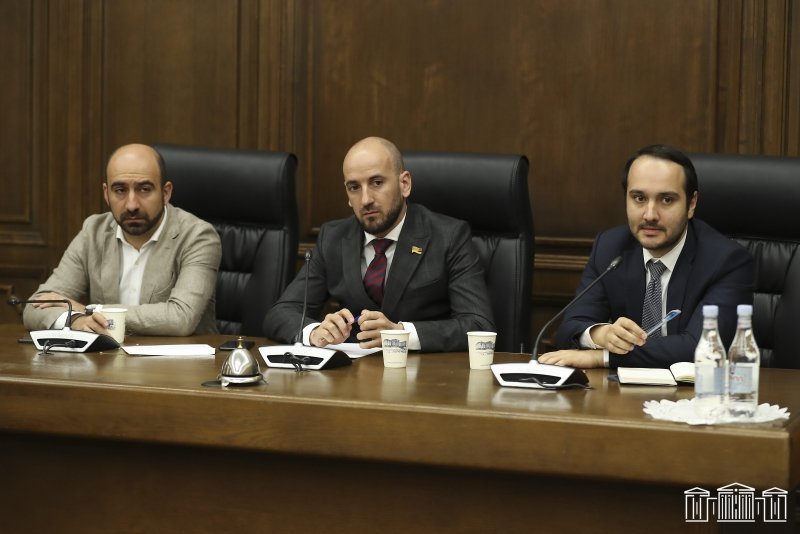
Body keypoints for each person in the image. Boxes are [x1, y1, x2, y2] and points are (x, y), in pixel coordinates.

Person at [264, 136, 495, 352]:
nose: (366, 200)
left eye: (376, 182)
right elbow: (281, 313)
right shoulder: (333, 237)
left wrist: (401, 334)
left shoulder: (449, 236)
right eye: (354, 187)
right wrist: (315, 332)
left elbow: (478, 325)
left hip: (423, 374)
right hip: (351, 374)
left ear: (404, 184)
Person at [539, 144, 753, 369]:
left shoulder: (727, 261)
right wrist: (602, 335)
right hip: (621, 389)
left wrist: (603, 357)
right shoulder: (610, 248)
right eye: (639, 198)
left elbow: (700, 348)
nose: (650, 215)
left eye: (666, 200)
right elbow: (570, 328)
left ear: (691, 204)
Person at [23, 143, 221, 337]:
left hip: (182, 358)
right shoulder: (93, 232)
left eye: (144, 189)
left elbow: (181, 318)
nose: (131, 205)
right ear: (106, 194)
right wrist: (75, 319)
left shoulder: (197, 236)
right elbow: (36, 306)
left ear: (165, 192)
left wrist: (91, 311)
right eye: (120, 190)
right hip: (107, 356)